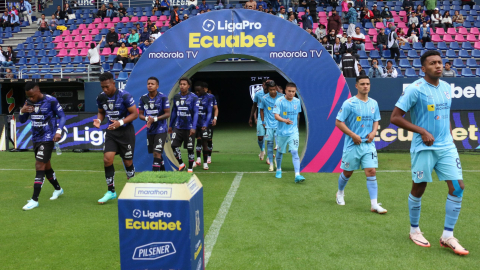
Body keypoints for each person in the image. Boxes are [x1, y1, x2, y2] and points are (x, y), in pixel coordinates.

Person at [390, 50, 468, 255]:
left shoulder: (445, 87)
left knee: (458, 187)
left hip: (446, 147)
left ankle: (447, 236)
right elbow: (395, 118)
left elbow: (445, 114)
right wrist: (422, 131)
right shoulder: (415, 89)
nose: (438, 66)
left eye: (440, 62)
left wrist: (450, 136)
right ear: (424, 68)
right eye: (433, 63)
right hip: (423, 147)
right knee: (419, 188)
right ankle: (414, 230)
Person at [335, 75, 386, 213]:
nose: (365, 86)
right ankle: (340, 192)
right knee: (347, 172)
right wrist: (353, 135)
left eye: (367, 84)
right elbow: (338, 122)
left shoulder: (373, 103)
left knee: (371, 171)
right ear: (356, 86)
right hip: (353, 144)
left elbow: (376, 120)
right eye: (362, 84)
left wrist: (374, 131)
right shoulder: (349, 103)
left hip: (368, 144)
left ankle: (374, 204)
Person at [19, 82, 66, 210]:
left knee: (39, 165)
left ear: (38, 90)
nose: (31, 99)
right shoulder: (28, 101)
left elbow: (62, 116)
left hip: (48, 138)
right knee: (46, 167)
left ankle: (34, 200)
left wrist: (59, 131)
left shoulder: (51, 101)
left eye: (32, 96)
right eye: (29, 97)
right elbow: (22, 120)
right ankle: (58, 189)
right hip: (36, 138)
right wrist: (21, 111)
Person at [94, 72, 138, 204]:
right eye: (102, 87)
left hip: (125, 132)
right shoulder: (101, 97)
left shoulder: (124, 95)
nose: (105, 90)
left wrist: (121, 122)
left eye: (107, 86)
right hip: (111, 132)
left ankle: (133, 188)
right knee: (107, 159)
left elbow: (134, 114)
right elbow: (101, 112)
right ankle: (111, 191)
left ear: (113, 83)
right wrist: (98, 120)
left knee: (127, 162)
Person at [273, 83, 305, 183]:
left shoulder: (297, 101)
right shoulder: (279, 101)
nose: (291, 93)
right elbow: (276, 116)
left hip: (293, 132)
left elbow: (297, 115)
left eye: (293, 92)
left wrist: (297, 127)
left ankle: (297, 175)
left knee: (295, 152)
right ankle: (278, 169)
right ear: (285, 91)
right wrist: (284, 120)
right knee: (280, 152)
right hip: (282, 132)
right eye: (289, 91)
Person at [138, 77, 171, 171]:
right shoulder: (143, 98)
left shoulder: (163, 97)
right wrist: (147, 118)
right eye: (148, 83)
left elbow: (167, 114)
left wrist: (155, 119)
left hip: (161, 129)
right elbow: (140, 115)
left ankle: (154, 177)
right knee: (156, 153)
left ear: (157, 86)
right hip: (150, 129)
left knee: (157, 152)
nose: (150, 85)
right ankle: (164, 172)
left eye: (152, 84)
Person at [168, 77, 199, 173]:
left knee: (190, 148)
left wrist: (193, 127)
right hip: (178, 127)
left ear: (188, 86)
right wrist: (170, 125)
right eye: (181, 84)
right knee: (173, 145)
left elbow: (196, 113)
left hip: (189, 127)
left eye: (184, 84)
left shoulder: (194, 97)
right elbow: (174, 112)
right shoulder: (176, 97)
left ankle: (190, 168)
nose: (182, 86)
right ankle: (181, 163)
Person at [260, 80, 284, 172]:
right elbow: (261, 110)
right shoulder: (264, 98)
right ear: (268, 89)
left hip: (279, 125)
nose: (273, 91)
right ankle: (270, 163)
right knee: (269, 145)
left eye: (274, 89)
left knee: (279, 146)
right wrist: (263, 121)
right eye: (271, 90)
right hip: (269, 125)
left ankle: (276, 161)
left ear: (276, 88)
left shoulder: (281, 97)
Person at [192, 82, 214, 170]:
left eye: (199, 90)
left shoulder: (209, 97)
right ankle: (195, 160)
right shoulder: (193, 97)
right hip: (194, 124)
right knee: (192, 142)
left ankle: (205, 162)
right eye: (195, 90)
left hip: (204, 124)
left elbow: (209, 112)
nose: (197, 92)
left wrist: (206, 123)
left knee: (205, 142)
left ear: (203, 89)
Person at [249, 79, 269, 163]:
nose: (266, 86)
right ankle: (262, 150)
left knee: (270, 138)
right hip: (261, 118)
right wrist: (251, 118)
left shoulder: (273, 94)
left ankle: (269, 157)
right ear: (262, 85)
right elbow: (254, 106)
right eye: (265, 84)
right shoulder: (258, 94)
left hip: (271, 118)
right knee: (260, 137)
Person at [204, 83, 218, 164]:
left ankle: (209, 156)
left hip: (209, 122)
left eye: (205, 88)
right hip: (199, 122)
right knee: (199, 139)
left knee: (209, 139)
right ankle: (198, 158)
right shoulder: (196, 97)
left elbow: (216, 108)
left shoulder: (211, 97)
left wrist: (215, 118)